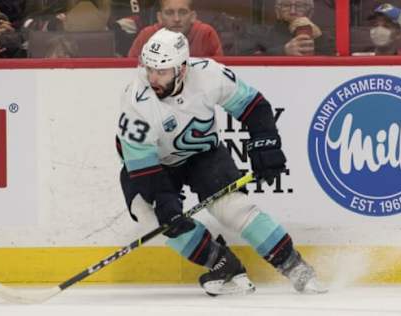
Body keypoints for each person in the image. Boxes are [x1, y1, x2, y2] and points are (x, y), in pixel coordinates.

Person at [116, 28, 328, 295]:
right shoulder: (137, 100)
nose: (153, 77)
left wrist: (265, 144)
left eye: (162, 71)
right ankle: (221, 262)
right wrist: (163, 199)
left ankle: (294, 265)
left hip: (203, 154)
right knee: (154, 216)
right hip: (155, 166)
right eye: (149, 69)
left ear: (182, 69)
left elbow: (254, 106)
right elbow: (142, 166)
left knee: (233, 209)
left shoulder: (209, 75)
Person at [127, 0, 222, 57]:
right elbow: (130, 70)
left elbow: (221, 72)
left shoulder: (206, 33)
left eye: (183, 12)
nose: (177, 19)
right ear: (159, 17)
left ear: (193, 16)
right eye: (169, 13)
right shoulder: (147, 35)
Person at [242, 0, 333, 56]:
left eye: (299, 5)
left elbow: (336, 56)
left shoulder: (319, 35)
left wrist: (320, 37)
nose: (292, 11)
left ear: (310, 12)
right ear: (277, 11)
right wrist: (283, 51)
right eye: (286, 5)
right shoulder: (260, 33)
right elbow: (245, 56)